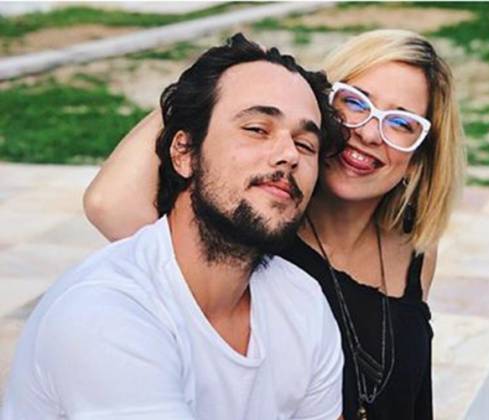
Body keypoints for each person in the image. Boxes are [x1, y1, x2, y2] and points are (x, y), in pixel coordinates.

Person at [83, 29, 465, 420]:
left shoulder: (413, 248)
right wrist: (223, 79)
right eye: (354, 101)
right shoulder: (257, 229)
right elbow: (108, 204)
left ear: (419, 156)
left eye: (401, 123)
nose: (368, 133)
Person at [2, 34, 347, 420]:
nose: (288, 155)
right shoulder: (106, 311)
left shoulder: (301, 301)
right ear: (183, 153)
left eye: (306, 144)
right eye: (256, 129)